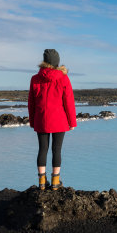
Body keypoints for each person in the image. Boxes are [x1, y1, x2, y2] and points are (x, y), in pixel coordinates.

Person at [28, 49, 77, 191]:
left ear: (44, 61)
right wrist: (72, 122)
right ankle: (55, 183)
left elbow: (31, 103)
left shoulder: (35, 78)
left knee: (42, 149)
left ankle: (42, 183)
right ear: (57, 62)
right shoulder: (63, 78)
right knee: (57, 150)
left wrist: (32, 121)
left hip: (41, 119)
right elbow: (69, 102)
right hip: (60, 120)